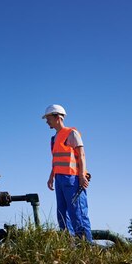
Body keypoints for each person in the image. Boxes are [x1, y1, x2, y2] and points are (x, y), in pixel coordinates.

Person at [43, 104, 92, 242]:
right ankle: (70, 247)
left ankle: (86, 248)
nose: (47, 121)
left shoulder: (72, 133)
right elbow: (57, 159)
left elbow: (81, 155)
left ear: (57, 117)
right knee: (62, 215)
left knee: (78, 214)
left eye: (48, 118)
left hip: (73, 179)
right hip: (59, 179)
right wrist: (51, 176)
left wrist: (82, 175)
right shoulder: (53, 139)